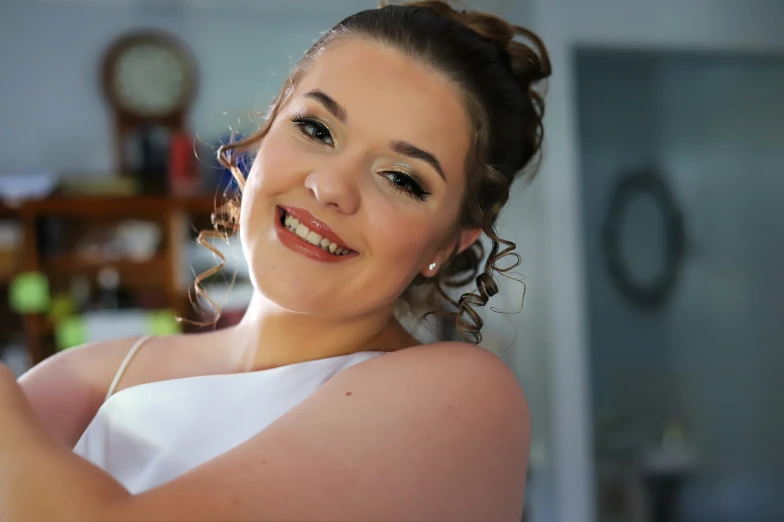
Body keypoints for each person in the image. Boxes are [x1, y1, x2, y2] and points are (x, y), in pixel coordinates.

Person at [1, 1, 550, 520]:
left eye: (402, 179)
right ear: (263, 135)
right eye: (316, 129)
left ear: (447, 245)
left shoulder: (462, 397)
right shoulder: (98, 373)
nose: (331, 186)